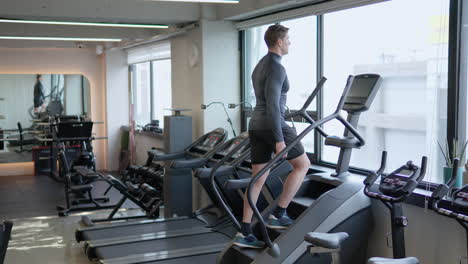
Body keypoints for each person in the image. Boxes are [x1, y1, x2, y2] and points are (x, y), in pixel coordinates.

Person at [233, 24, 311, 249]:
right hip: (272, 124)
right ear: (278, 41)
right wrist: (279, 139)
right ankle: (279, 213)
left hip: (256, 125)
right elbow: (274, 105)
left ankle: (245, 230)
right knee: (303, 164)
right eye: (288, 39)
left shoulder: (260, 65)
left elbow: (268, 102)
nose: (290, 43)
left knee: (258, 178)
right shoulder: (277, 68)